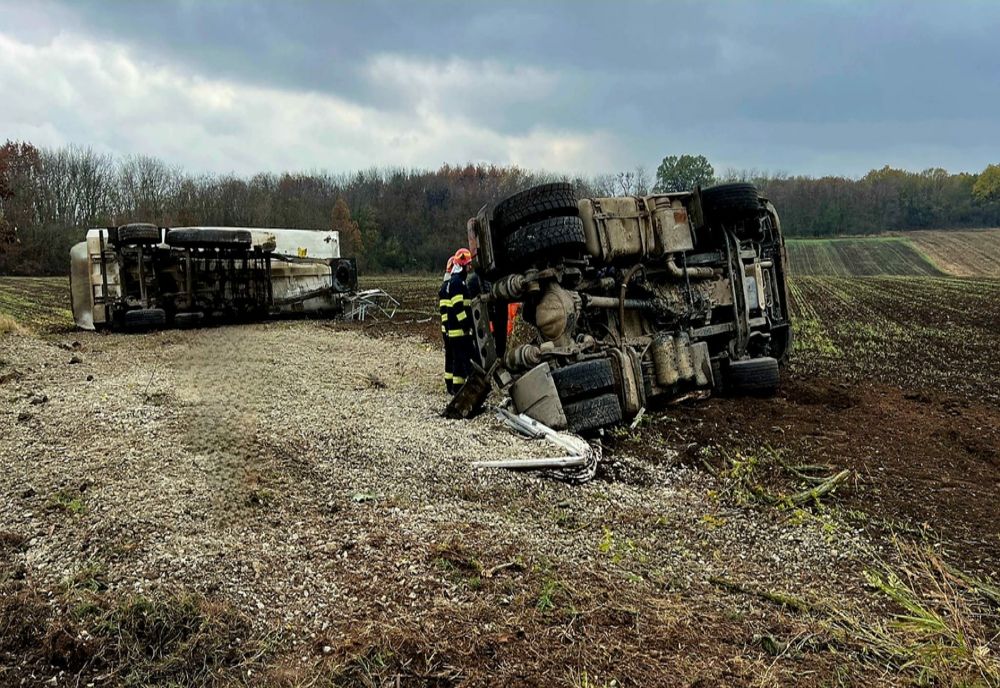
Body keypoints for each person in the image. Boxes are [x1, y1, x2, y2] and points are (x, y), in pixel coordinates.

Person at [443, 248, 474, 392]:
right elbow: (458, 307)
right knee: (462, 362)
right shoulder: (456, 283)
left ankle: (458, 389)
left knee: (459, 364)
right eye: (468, 264)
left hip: (458, 331)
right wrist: (466, 324)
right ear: (462, 265)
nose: (470, 267)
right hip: (458, 331)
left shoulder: (458, 281)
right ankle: (459, 390)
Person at [438, 255, 456, 393]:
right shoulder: (448, 288)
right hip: (449, 329)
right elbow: (445, 312)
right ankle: (451, 385)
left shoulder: (446, 287)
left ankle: (450, 383)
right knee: (452, 356)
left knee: (449, 356)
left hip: (447, 329)